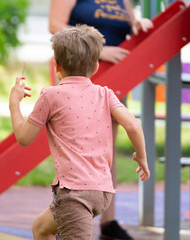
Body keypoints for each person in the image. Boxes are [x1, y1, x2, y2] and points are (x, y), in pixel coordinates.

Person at [9, 25, 150, 240]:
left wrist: (14, 104)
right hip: (102, 192)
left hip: (75, 195)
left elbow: (24, 138)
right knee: (41, 228)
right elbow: (133, 125)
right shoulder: (106, 94)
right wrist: (141, 156)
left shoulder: (50, 95)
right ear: (94, 67)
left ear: (56, 66)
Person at [49, 1, 153, 239]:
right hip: (78, 77)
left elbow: (130, 26)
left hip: (115, 77)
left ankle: (109, 223)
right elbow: (55, 25)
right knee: (75, 148)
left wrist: (138, 24)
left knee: (107, 149)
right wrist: (98, 51)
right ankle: (66, 215)